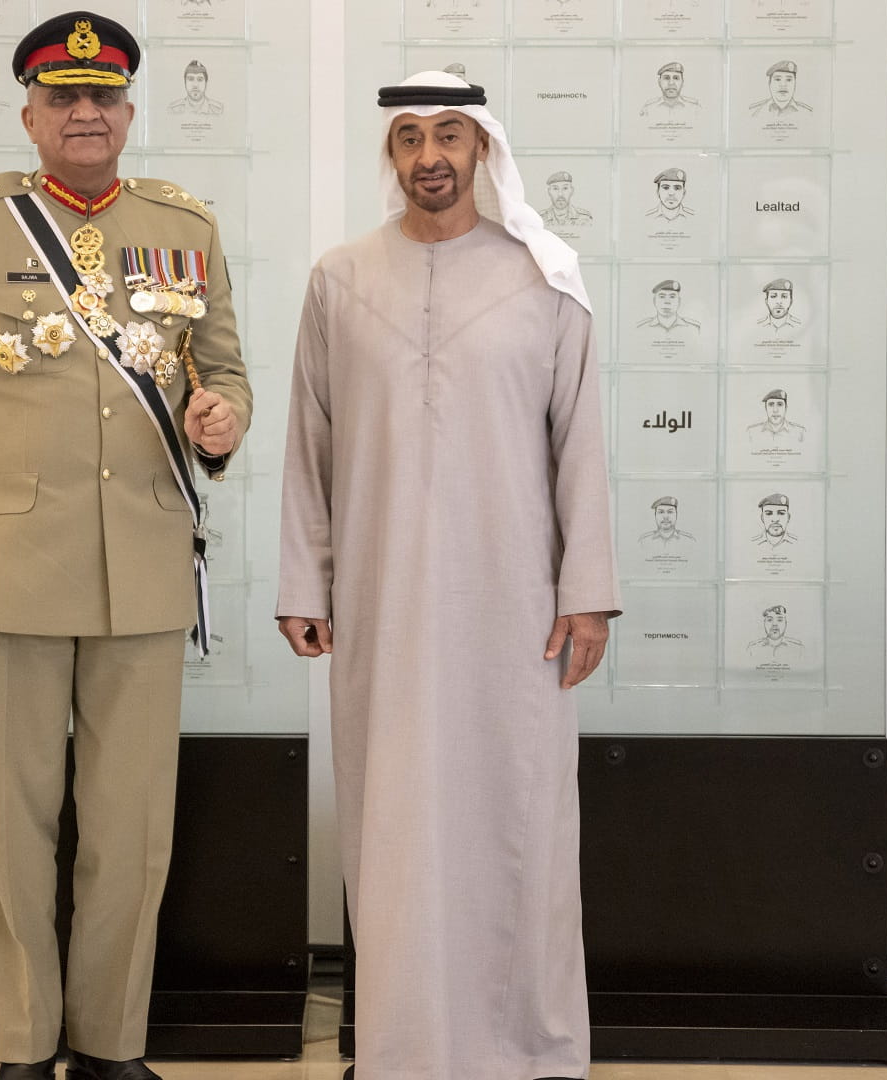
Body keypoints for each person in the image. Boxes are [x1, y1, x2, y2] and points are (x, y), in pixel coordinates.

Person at [0, 12, 249, 1080]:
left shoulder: (185, 226)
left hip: (142, 562)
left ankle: (110, 1042)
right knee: (11, 824)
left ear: (129, 114)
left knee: (131, 829)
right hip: (5, 570)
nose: (84, 114)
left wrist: (221, 421)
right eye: (64, 99)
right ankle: (20, 1043)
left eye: (103, 99)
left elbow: (220, 369)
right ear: (30, 114)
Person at [276, 69, 614, 1080]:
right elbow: (309, 439)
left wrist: (587, 589)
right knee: (393, 823)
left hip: (514, 606)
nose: (431, 156)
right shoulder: (340, 279)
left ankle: (529, 1050)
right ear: (391, 154)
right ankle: (401, 1047)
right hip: (381, 606)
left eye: (451, 136)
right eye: (412, 137)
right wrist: (306, 579)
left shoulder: (545, 277)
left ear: (483, 150)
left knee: (518, 818)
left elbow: (580, 444)